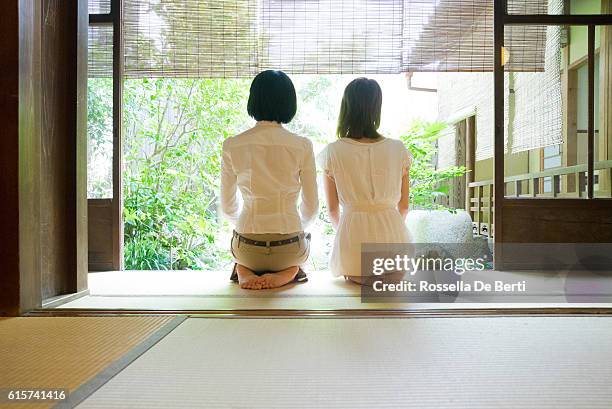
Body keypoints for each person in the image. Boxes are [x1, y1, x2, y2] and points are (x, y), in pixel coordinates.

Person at [220, 70, 318, 290]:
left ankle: (243, 269)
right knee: (301, 254)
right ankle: (291, 271)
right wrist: (294, 226)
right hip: (289, 249)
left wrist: (246, 226)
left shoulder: (233, 145)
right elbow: (311, 208)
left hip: (247, 248)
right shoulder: (302, 145)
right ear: (289, 103)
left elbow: (227, 207)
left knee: (242, 256)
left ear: (253, 100)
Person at [318, 77, 412, 284]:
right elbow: (404, 206)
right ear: (376, 108)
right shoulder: (398, 149)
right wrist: (388, 228)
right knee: (393, 281)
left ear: (346, 108)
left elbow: (333, 210)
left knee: (361, 282)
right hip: (393, 240)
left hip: (353, 241)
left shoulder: (333, 151)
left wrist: (348, 232)